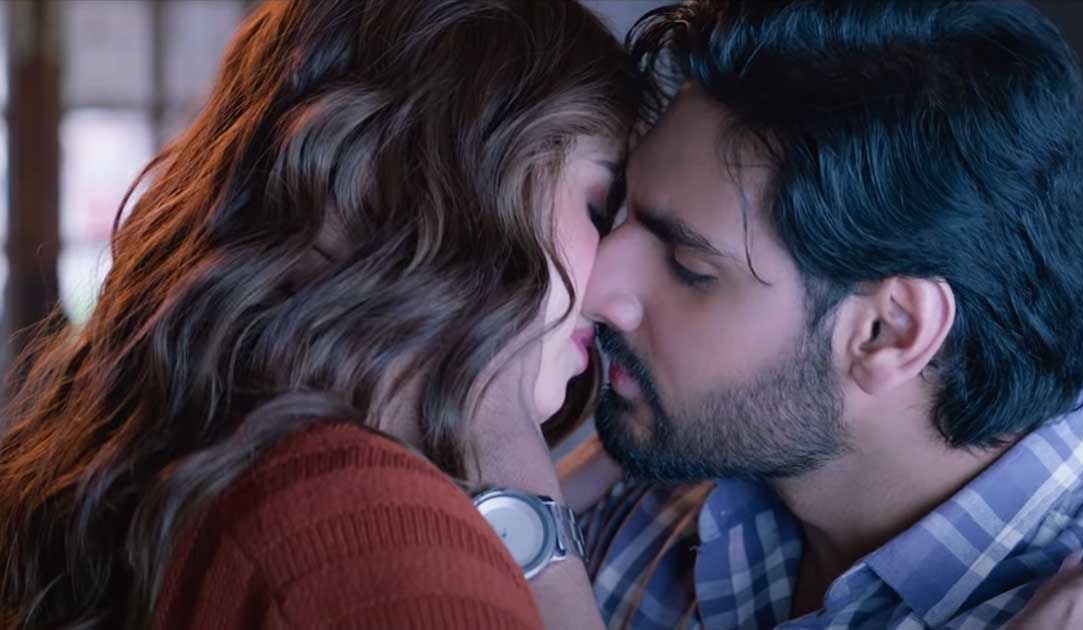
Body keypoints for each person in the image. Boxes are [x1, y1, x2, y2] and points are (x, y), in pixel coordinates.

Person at [557, 1, 1083, 628]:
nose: (593, 289)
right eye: (619, 214)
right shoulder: (650, 476)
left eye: (688, 266)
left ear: (890, 332)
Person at [0, 1, 634, 628]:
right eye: (599, 209)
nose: (614, 287)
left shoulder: (222, 458)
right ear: (460, 193)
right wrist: (504, 435)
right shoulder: (380, 539)